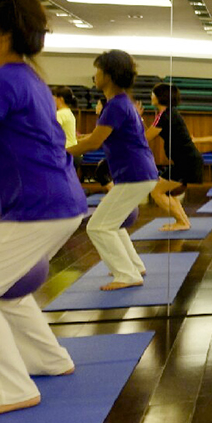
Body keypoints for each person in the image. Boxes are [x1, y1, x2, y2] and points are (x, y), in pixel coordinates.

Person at [0, 0, 86, 415]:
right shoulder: (27, 78)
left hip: (38, 206)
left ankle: (10, 389)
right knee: (7, 290)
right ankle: (48, 360)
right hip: (57, 202)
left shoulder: (7, 80)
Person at [67, 50, 158, 290]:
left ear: (108, 75)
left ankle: (127, 274)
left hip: (135, 174)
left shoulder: (116, 105)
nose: (94, 75)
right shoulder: (120, 103)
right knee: (111, 223)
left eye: (98, 70)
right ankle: (134, 266)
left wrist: (61, 152)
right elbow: (99, 135)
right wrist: (78, 141)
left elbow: (94, 142)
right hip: (139, 173)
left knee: (98, 226)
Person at [144, 83, 204, 231]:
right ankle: (183, 221)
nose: (151, 96)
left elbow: (145, 137)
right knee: (166, 191)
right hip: (186, 161)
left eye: (153, 93)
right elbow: (148, 133)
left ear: (160, 97)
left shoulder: (164, 115)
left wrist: (136, 119)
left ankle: (182, 222)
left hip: (187, 162)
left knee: (156, 191)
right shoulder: (168, 113)